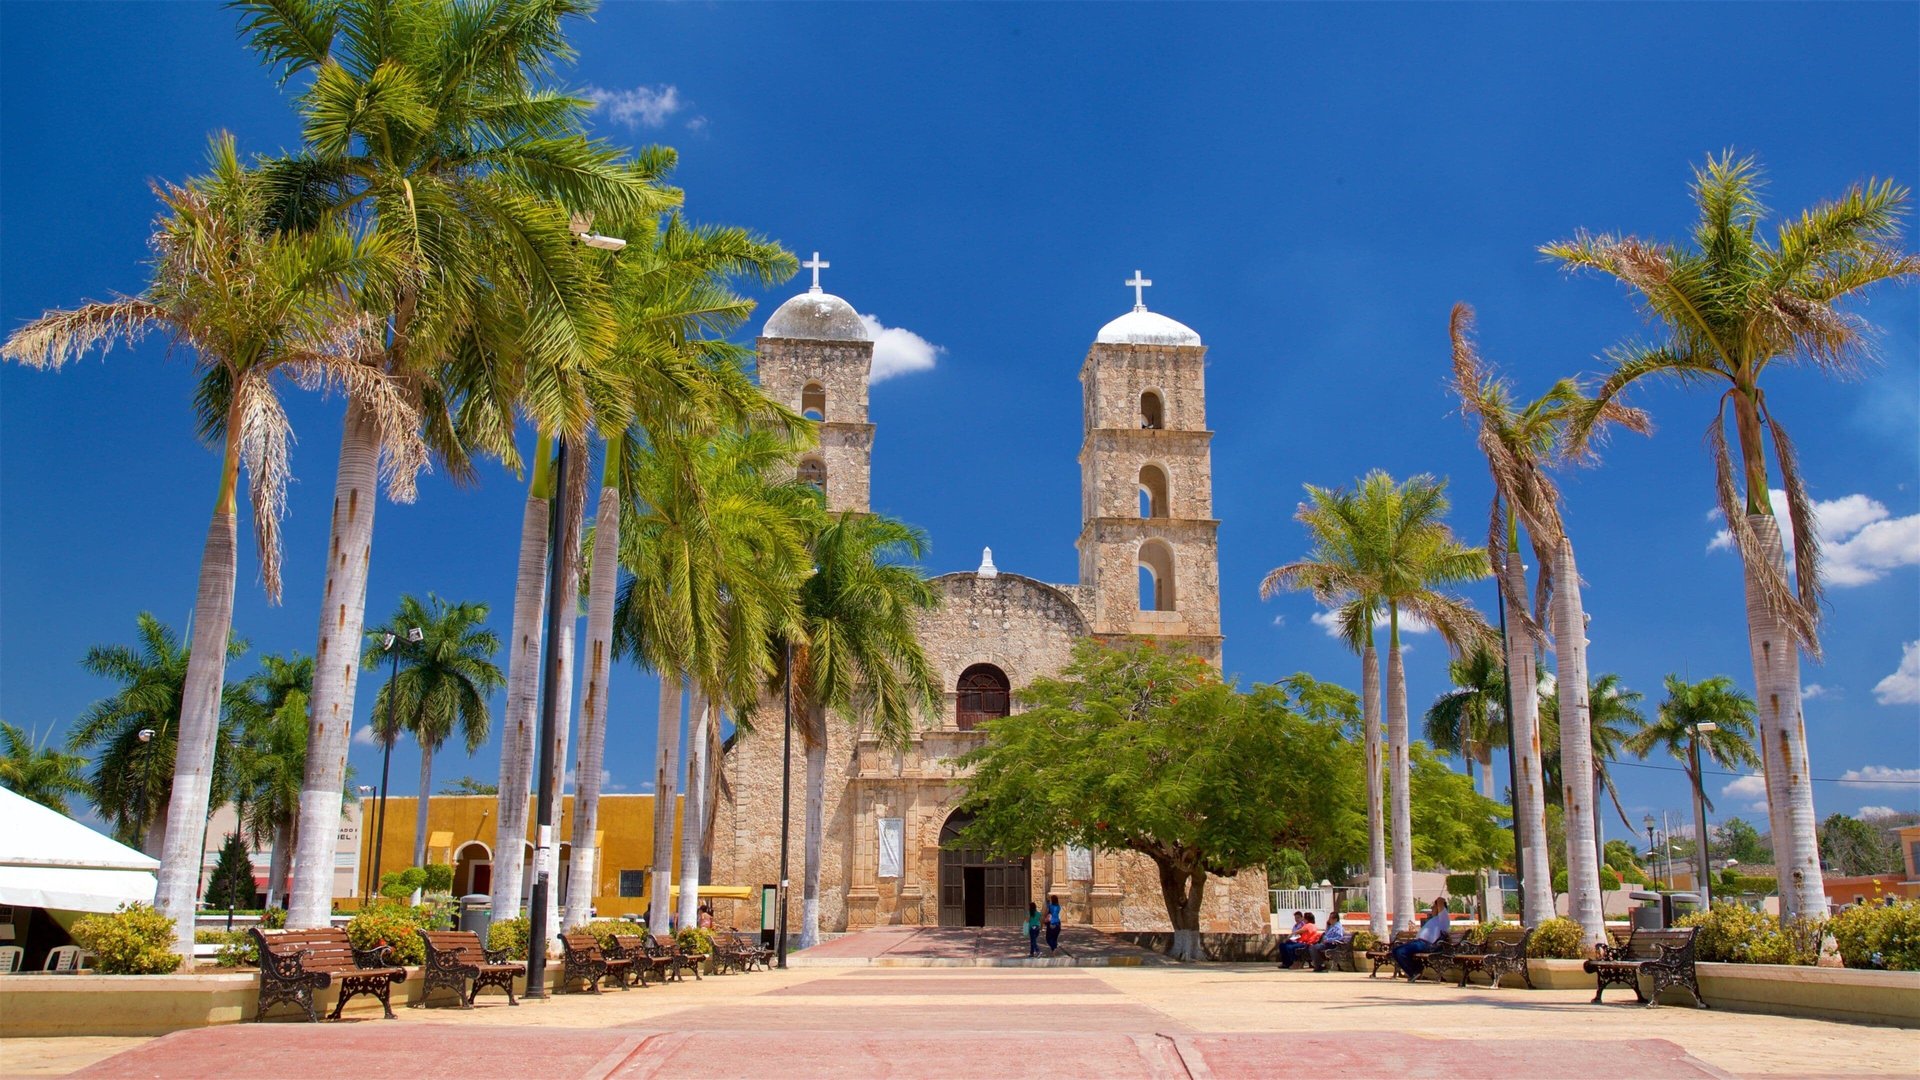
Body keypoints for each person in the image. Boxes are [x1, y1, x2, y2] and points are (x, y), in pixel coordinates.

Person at [1391, 897, 1451, 982]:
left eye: (1433, 907)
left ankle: (1414, 972)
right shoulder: (1434, 919)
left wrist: (1437, 901)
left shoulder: (1443, 918)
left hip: (1428, 945)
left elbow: (1440, 901)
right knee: (1395, 950)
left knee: (1400, 952)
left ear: (1439, 908)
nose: (1431, 909)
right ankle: (1416, 970)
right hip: (1419, 943)